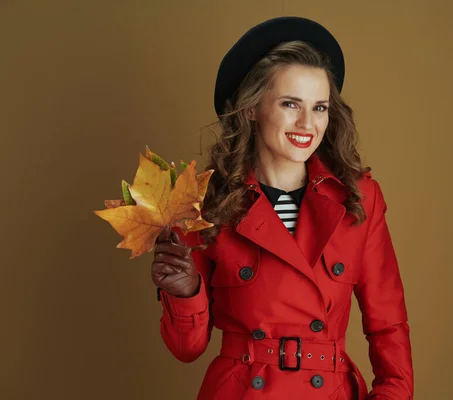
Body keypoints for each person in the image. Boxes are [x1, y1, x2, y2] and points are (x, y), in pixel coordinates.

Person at [151, 16, 414, 400]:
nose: (307, 123)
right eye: (291, 103)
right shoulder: (202, 201)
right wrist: (184, 291)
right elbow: (186, 349)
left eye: (320, 107)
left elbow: (389, 326)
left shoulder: (359, 198)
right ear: (252, 107)